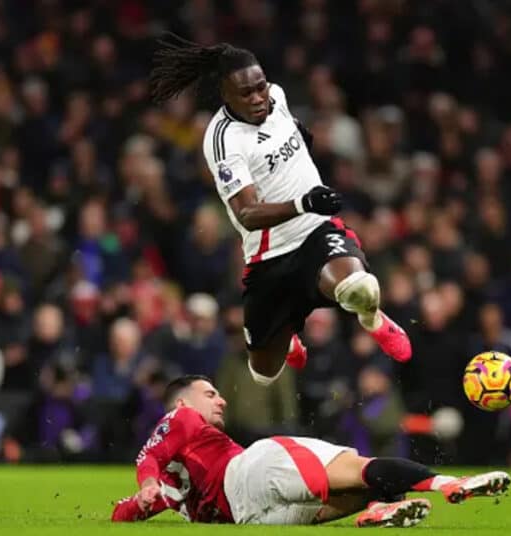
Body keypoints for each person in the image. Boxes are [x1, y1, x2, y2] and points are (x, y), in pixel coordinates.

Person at [148, 34, 413, 386]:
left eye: (260, 86)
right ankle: (285, 335)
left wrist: (301, 144)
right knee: (263, 374)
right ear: (225, 94)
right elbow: (246, 214)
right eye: (247, 93)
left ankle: (372, 319)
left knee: (359, 288)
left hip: (316, 229)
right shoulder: (223, 140)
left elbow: (284, 134)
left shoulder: (276, 96)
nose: (259, 97)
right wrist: (303, 201)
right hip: (269, 255)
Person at [111, 375, 511, 527]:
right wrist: (146, 481)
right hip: (251, 469)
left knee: (350, 492)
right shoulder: (181, 419)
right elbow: (147, 460)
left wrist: (141, 498)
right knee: (357, 467)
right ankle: (446, 483)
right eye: (210, 393)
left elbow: (125, 511)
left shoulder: (169, 486)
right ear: (182, 403)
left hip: (248, 518)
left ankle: (377, 511)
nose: (222, 401)